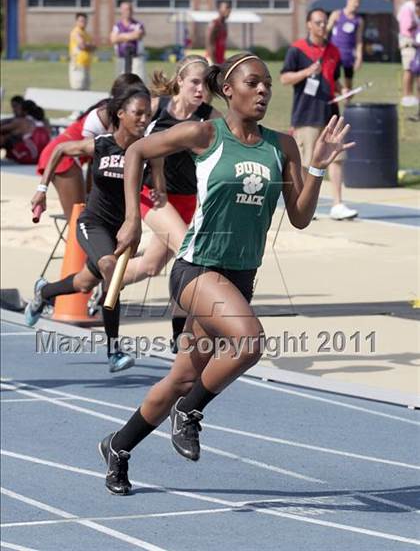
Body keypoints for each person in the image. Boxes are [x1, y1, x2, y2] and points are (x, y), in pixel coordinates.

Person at [98, 52, 355, 495]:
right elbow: (137, 149)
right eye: (253, 83)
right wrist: (132, 219)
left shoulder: (282, 145)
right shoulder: (206, 134)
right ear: (228, 91)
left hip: (239, 278)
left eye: (268, 85)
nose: (262, 91)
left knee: (181, 377)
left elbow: (299, 216)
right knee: (250, 341)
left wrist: (316, 165)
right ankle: (190, 412)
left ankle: (118, 446)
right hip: (197, 268)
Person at [25, 84, 161, 373]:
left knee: (85, 283)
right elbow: (60, 149)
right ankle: (114, 351)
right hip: (93, 222)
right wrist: (41, 189)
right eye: (138, 113)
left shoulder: (149, 151)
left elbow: (158, 178)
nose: (143, 119)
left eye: (148, 114)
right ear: (121, 114)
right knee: (110, 270)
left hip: (122, 230)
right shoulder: (101, 144)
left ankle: (44, 292)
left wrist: (159, 191)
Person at [117, 55, 221, 352]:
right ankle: (182, 335)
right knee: (188, 254)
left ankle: (106, 279)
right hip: (153, 196)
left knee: (151, 266)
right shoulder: (155, 108)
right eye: (195, 82)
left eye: (206, 84)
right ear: (180, 81)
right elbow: (130, 143)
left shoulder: (209, 116)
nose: (201, 89)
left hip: (189, 200)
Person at [280, 8, 358, 221]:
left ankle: (337, 204)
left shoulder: (333, 50)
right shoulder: (297, 49)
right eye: (318, 22)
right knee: (305, 161)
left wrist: (343, 91)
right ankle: (305, 204)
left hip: (330, 112)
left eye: (325, 22)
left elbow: (335, 79)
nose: (323, 26)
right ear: (309, 25)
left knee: (337, 157)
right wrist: (306, 73)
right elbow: (284, 78)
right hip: (306, 113)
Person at [36, 73, 143, 220]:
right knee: (77, 218)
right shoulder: (106, 115)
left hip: (69, 155)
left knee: (83, 216)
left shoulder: (118, 116)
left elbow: (96, 163)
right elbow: (98, 162)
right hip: (64, 155)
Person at [327, 0, 364, 94]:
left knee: (349, 80)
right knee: (332, 77)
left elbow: (359, 40)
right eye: (354, 2)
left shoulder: (359, 20)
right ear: (348, 1)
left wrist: (359, 57)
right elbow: (326, 30)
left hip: (349, 54)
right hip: (334, 53)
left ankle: (347, 103)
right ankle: (332, 98)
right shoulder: (337, 14)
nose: (356, 5)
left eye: (358, 3)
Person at [0, 99, 50, 164]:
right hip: (43, 158)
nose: (14, 110)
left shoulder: (21, 121)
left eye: (17, 108)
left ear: (24, 111)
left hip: (29, 157)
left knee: (4, 137)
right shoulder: (45, 122)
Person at [111, 1, 146, 82]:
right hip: (121, 59)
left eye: (130, 9)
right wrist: (131, 35)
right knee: (121, 83)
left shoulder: (138, 24)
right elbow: (113, 39)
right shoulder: (117, 26)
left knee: (137, 82)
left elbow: (138, 35)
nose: (128, 11)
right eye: (125, 9)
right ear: (121, 11)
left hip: (135, 59)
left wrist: (120, 36)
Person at [397, 0, 420, 107]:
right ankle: (407, 96)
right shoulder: (408, 9)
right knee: (409, 69)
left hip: (415, 42)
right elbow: (407, 28)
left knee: (416, 70)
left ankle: (414, 96)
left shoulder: (414, 9)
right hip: (408, 42)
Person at [69, 13, 96, 91]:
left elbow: (94, 47)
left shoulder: (86, 33)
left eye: (84, 21)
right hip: (78, 65)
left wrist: (88, 45)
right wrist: (88, 45)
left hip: (86, 65)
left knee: (86, 88)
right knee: (78, 88)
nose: (83, 22)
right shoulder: (76, 32)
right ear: (76, 22)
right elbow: (82, 45)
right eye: (80, 21)